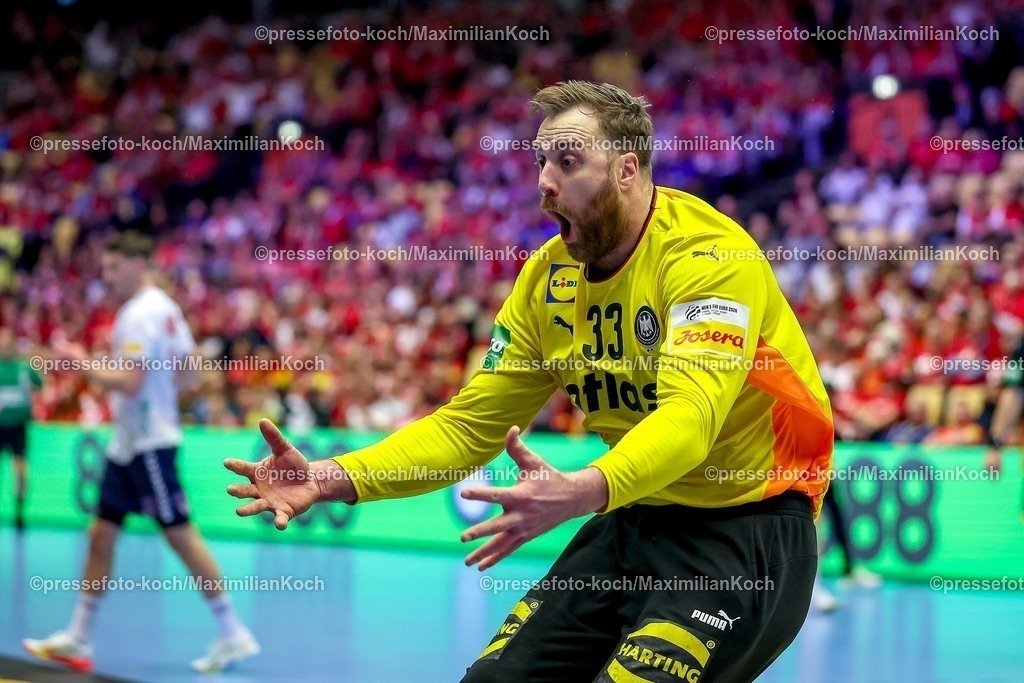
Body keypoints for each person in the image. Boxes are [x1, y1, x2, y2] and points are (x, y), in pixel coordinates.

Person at [226, 81, 834, 682]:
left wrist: (584, 489)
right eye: (541, 160)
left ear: (627, 168)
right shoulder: (547, 279)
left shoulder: (707, 257)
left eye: (568, 161)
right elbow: (468, 428)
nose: (544, 181)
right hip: (633, 518)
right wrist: (332, 477)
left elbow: (691, 420)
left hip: (747, 532)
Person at [23, 230, 259, 674]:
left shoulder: (137, 314)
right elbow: (190, 372)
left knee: (180, 535)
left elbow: (129, 382)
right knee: (101, 534)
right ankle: (78, 636)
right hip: (128, 444)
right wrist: (164, 397)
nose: (107, 277)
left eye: (114, 268)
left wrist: (79, 364)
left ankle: (232, 631)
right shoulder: (168, 310)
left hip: (148, 445)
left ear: (137, 265)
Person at [0, 327, 42, 531]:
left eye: (7, 343)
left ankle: (19, 513)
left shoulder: (24, 369)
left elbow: (41, 386)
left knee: (20, 470)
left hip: (18, 427)